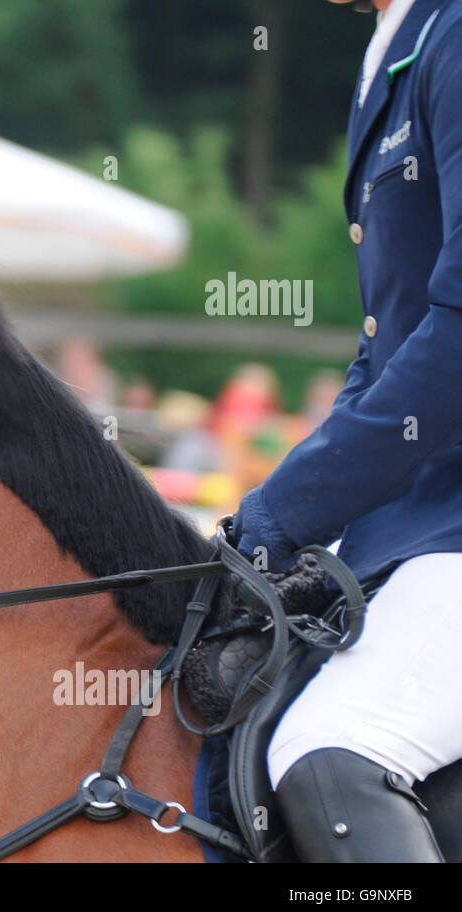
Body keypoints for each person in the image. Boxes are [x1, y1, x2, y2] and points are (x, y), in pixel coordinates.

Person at [231, 0, 462, 861]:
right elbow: (388, 347)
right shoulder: (397, 49)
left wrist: (289, 507)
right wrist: (277, 514)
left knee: (331, 750)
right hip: (423, 523)